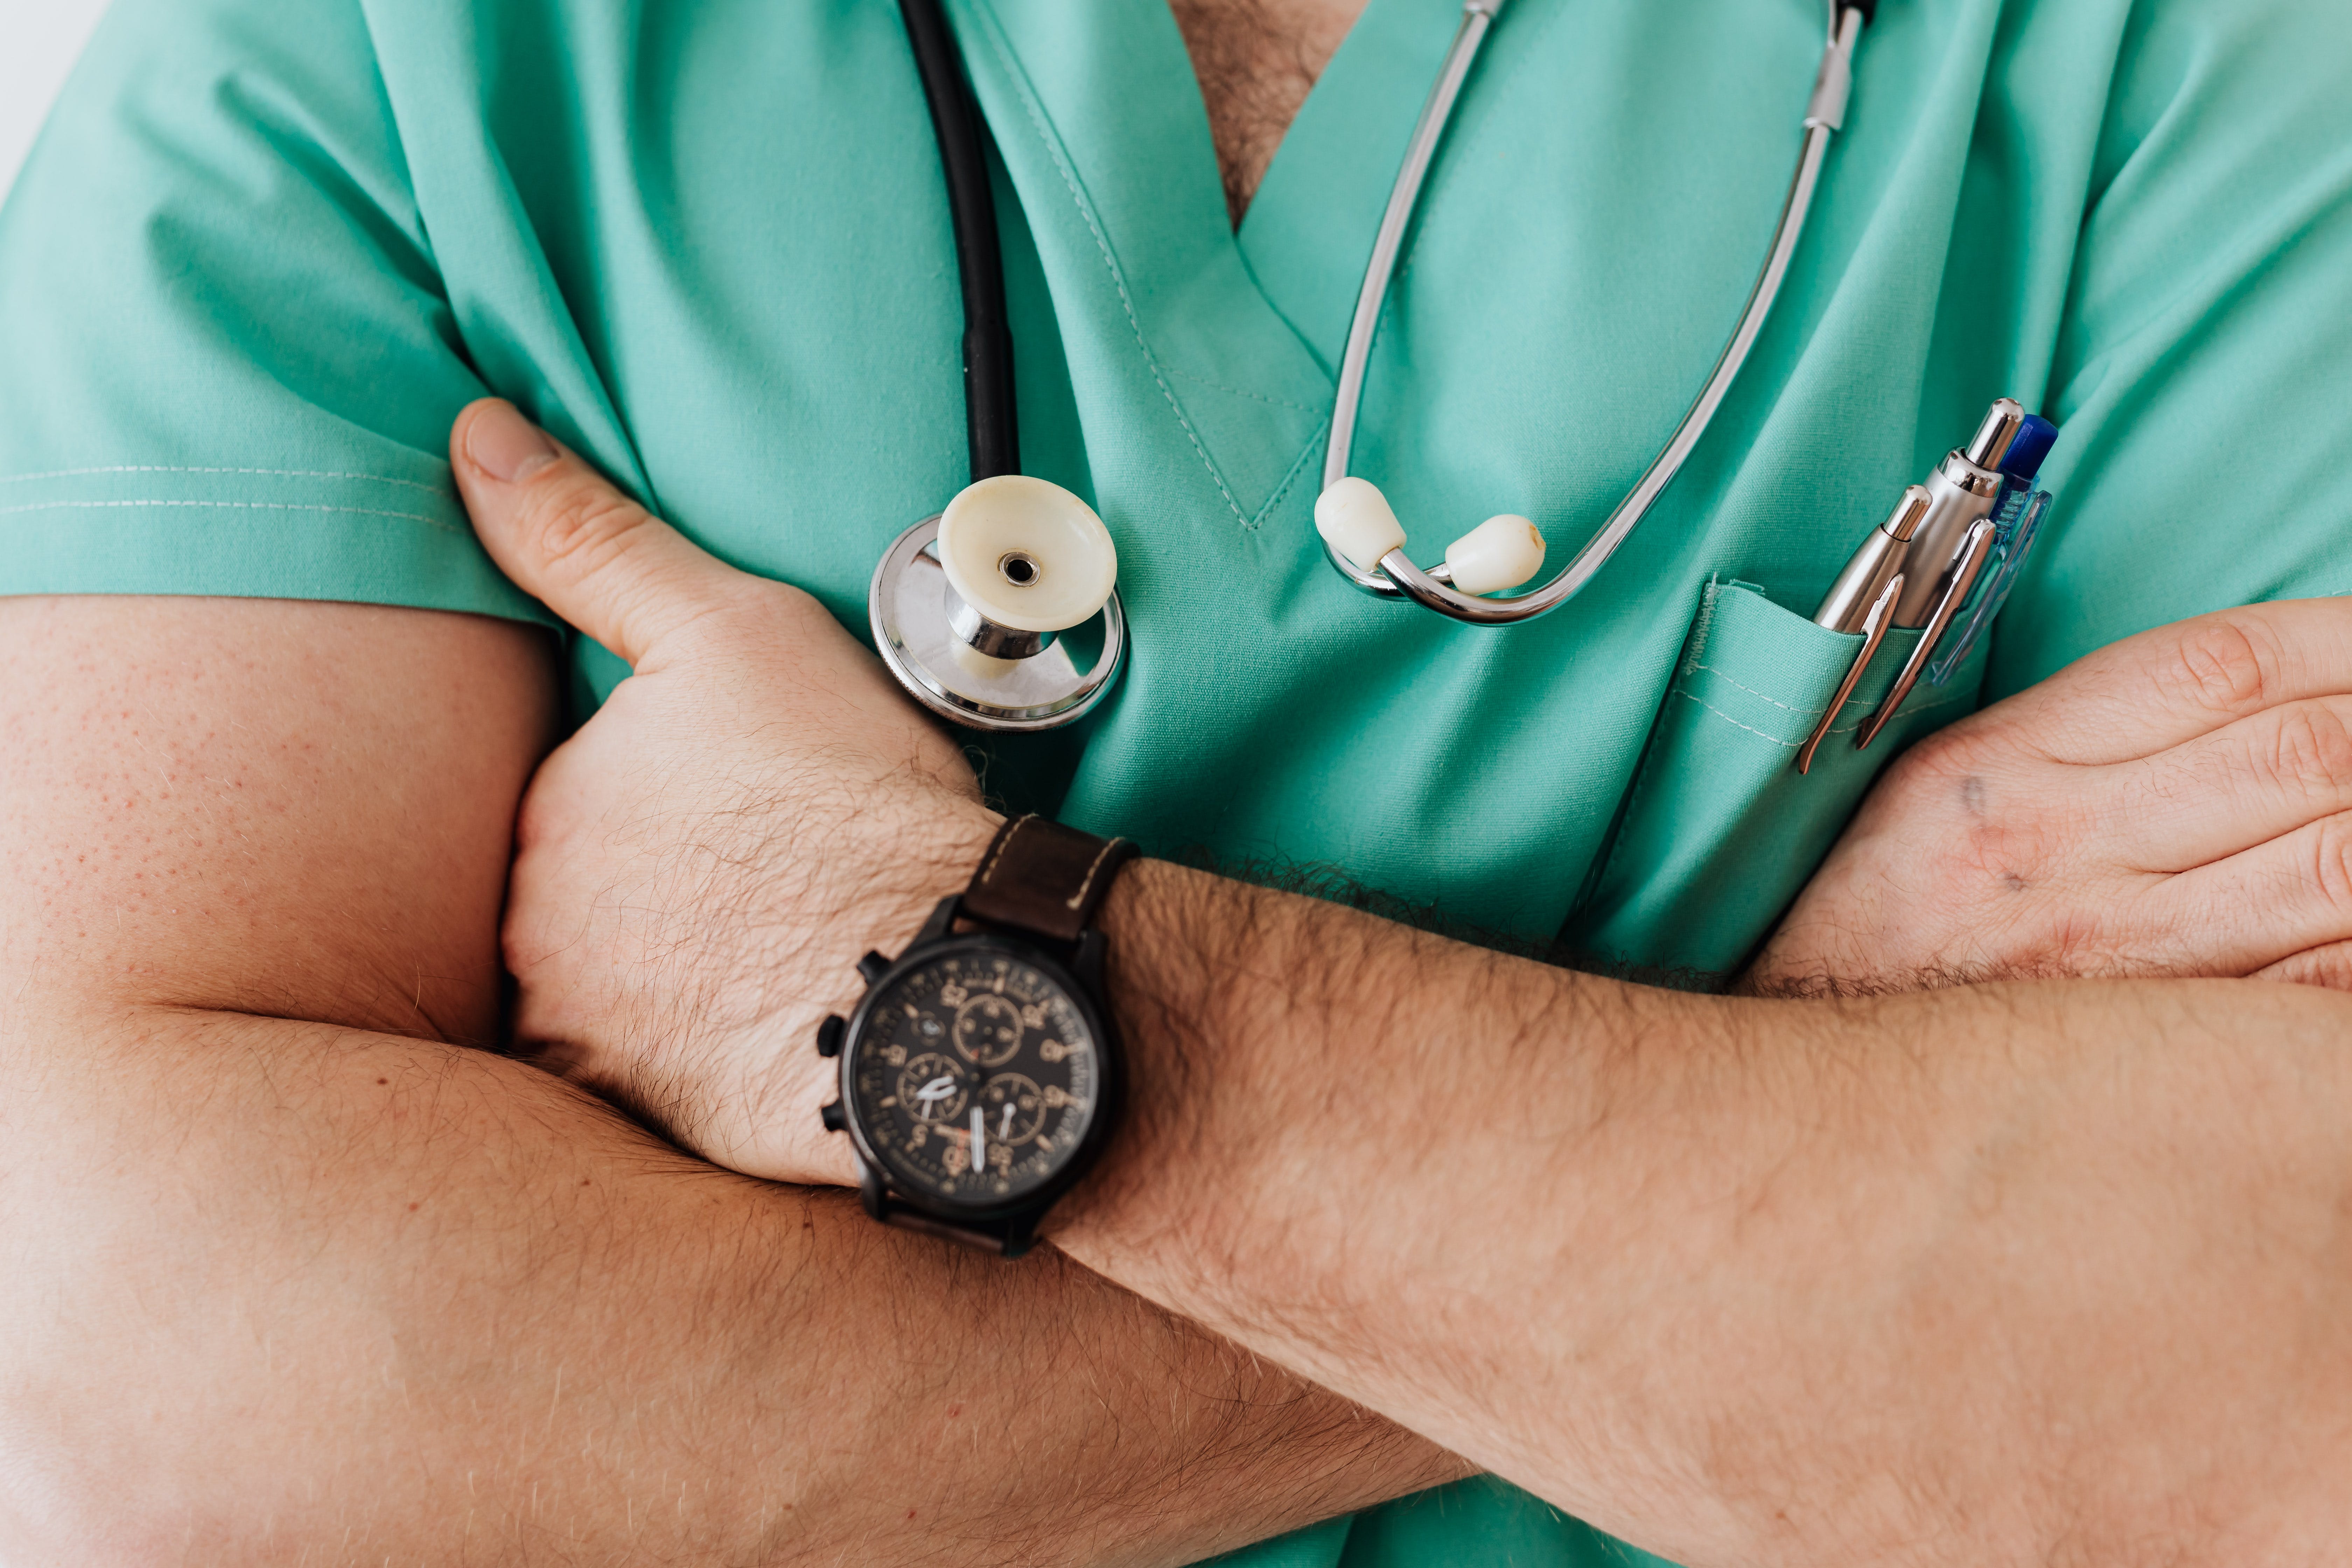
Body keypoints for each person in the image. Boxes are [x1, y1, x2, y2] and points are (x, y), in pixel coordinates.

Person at [1, 0, 2349, 1561]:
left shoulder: (2189, 63)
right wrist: (1750, 1041)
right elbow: (175, 1381)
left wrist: (881, 971)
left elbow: (2281, 1364)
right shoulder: (373, 51)